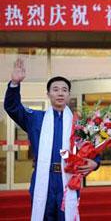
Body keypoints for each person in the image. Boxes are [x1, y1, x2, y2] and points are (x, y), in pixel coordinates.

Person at [4, 58, 100, 221]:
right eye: (55, 89)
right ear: (48, 94)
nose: (60, 93)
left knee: (67, 216)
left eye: (64, 90)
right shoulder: (35, 118)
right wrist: (14, 84)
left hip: (68, 178)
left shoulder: (80, 123)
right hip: (43, 178)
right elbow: (13, 107)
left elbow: (91, 148)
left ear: (69, 94)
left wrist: (96, 162)